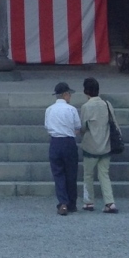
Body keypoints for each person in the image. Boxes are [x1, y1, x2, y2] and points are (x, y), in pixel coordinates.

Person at [80, 76, 119, 213]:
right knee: (104, 175)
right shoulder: (107, 104)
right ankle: (109, 202)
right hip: (106, 145)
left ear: (86, 91)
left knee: (88, 175)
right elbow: (114, 123)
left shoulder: (86, 107)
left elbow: (83, 127)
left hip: (91, 146)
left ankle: (88, 202)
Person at [44, 81, 81, 216]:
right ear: (65, 94)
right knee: (71, 173)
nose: (70, 96)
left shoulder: (49, 109)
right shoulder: (71, 109)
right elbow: (77, 126)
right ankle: (72, 203)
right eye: (69, 94)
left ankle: (62, 203)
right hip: (69, 141)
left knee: (58, 174)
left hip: (55, 142)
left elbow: (47, 127)